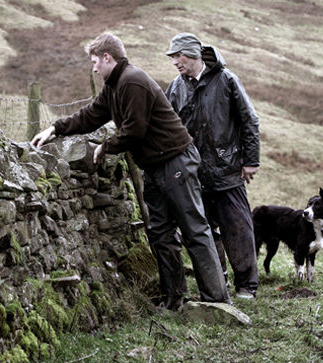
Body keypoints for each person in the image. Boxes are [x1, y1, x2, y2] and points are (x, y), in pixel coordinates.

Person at [32, 30, 230, 311]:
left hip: (175, 161)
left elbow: (135, 129)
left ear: (107, 57)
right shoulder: (114, 86)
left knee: (194, 228)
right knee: (160, 233)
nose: (94, 69)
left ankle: (217, 301)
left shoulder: (132, 81)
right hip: (154, 166)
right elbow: (90, 115)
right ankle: (174, 300)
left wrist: (107, 146)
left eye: (95, 62)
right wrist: (55, 128)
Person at [167, 33, 259, 299]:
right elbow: (167, 127)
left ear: (192, 54)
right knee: (204, 233)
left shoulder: (227, 80)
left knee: (238, 229)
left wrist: (250, 161)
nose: (175, 62)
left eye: (178, 56)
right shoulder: (175, 88)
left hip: (227, 170)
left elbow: (249, 120)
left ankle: (247, 286)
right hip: (193, 174)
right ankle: (218, 283)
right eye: (172, 57)